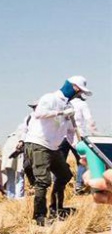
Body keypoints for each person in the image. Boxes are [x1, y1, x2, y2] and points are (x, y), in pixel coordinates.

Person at [24, 76, 88, 225]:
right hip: (38, 144)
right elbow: (39, 113)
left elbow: (71, 132)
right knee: (43, 181)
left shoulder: (68, 106)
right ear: (74, 87)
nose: (79, 94)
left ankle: (56, 208)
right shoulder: (50, 98)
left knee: (65, 175)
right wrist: (60, 113)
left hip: (53, 147)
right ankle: (39, 216)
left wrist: (81, 149)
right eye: (78, 91)